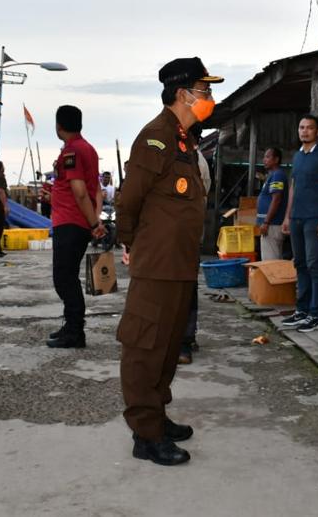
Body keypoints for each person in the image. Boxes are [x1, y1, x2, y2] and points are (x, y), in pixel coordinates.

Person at [116, 56, 222, 466]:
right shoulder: (156, 138)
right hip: (157, 264)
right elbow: (129, 201)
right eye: (205, 91)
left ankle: (157, 415)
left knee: (168, 345)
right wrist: (130, 244)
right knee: (145, 347)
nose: (210, 98)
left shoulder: (184, 141)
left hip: (179, 264)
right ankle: (145, 433)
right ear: (183, 94)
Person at [46, 105, 103, 349]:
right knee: (68, 276)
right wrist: (96, 218)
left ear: (59, 126)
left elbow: (80, 192)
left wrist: (93, 223)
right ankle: (70, 325)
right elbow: (95, 190)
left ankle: (75, 331)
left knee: (64, 278)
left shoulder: (72, 151)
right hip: (76, 220)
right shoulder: (88, 149)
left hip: (70, 222)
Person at [280, 115, 318, 333]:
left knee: (315, 265)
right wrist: (287, 216)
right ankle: (302, 310)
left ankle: (316, 314)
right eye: (301, 127)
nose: (304, 131)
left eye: (309, 128)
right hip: (297, 218)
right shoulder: (297, 156)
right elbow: (293, 187)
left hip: (315, 218)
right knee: (300, 264)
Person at [179, 124, 212, 365]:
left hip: (186, 234)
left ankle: (184, 341)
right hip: (183, 233)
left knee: (185, 288)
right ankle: (184, 338)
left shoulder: (195, 162)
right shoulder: (187, 157)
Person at [256, 147, 287, 261]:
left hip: (272, 225)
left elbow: (276, 199)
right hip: (270, 224)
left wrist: (266, 222)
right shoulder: (272, 175)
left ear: (276, 159)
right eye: (264, 157)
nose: (265, 160)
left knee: (270, 261)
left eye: (268, 157)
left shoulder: (277, 175)